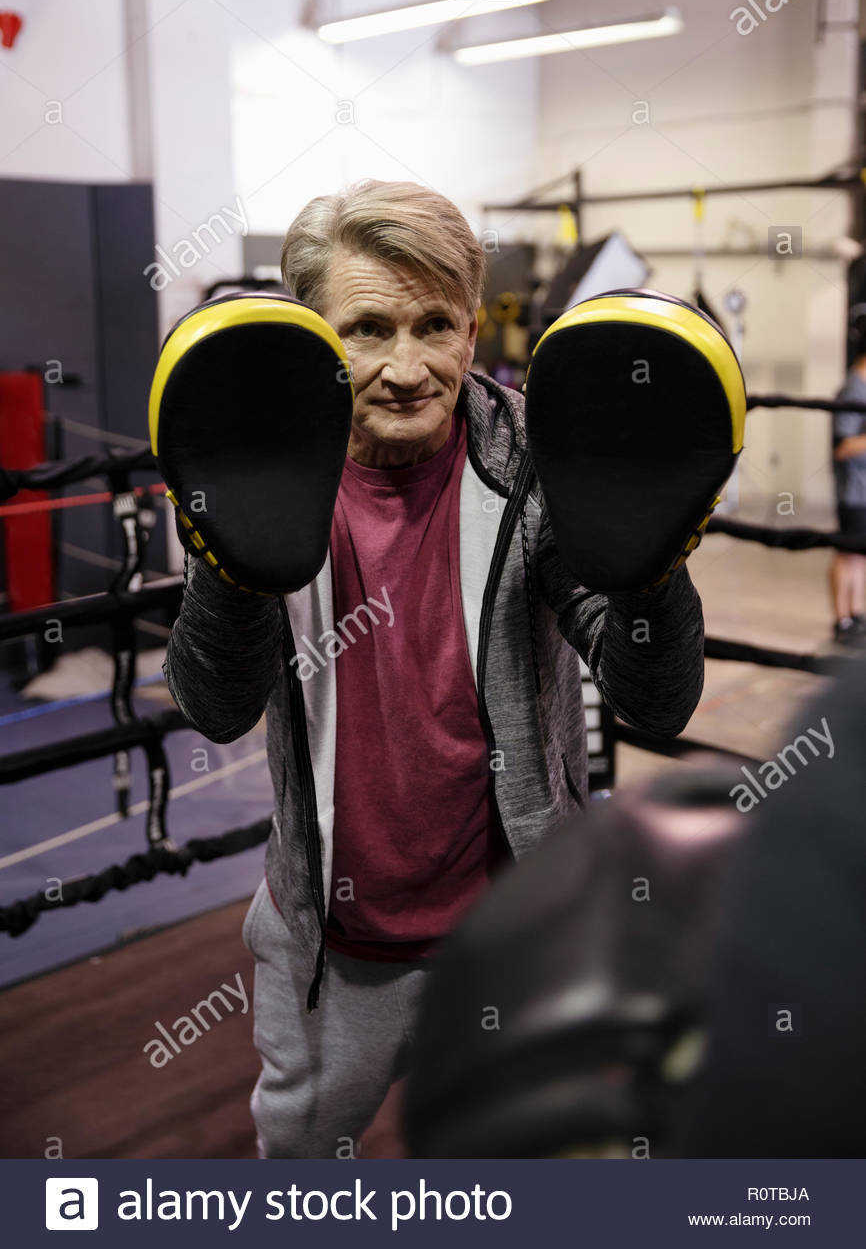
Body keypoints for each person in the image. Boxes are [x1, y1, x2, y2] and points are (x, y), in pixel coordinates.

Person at [163, 179, 706, 1158]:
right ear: (313, 335)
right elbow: (214, 707)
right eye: (367, 328)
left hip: (521, 937)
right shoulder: (265, 467)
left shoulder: (535, 461)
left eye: (434, 325)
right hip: (334, 949)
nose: (408, 368)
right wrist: (224, 570)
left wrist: (651, 568)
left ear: (470, 329)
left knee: (539, 1181)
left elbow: (657, 703)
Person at [829, 315, 866, 644]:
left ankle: (856, 614)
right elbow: (842, 447)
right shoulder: (853, 387)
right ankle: (841, 620)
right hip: (852, 491)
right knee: (848, 553)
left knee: (861, 555)